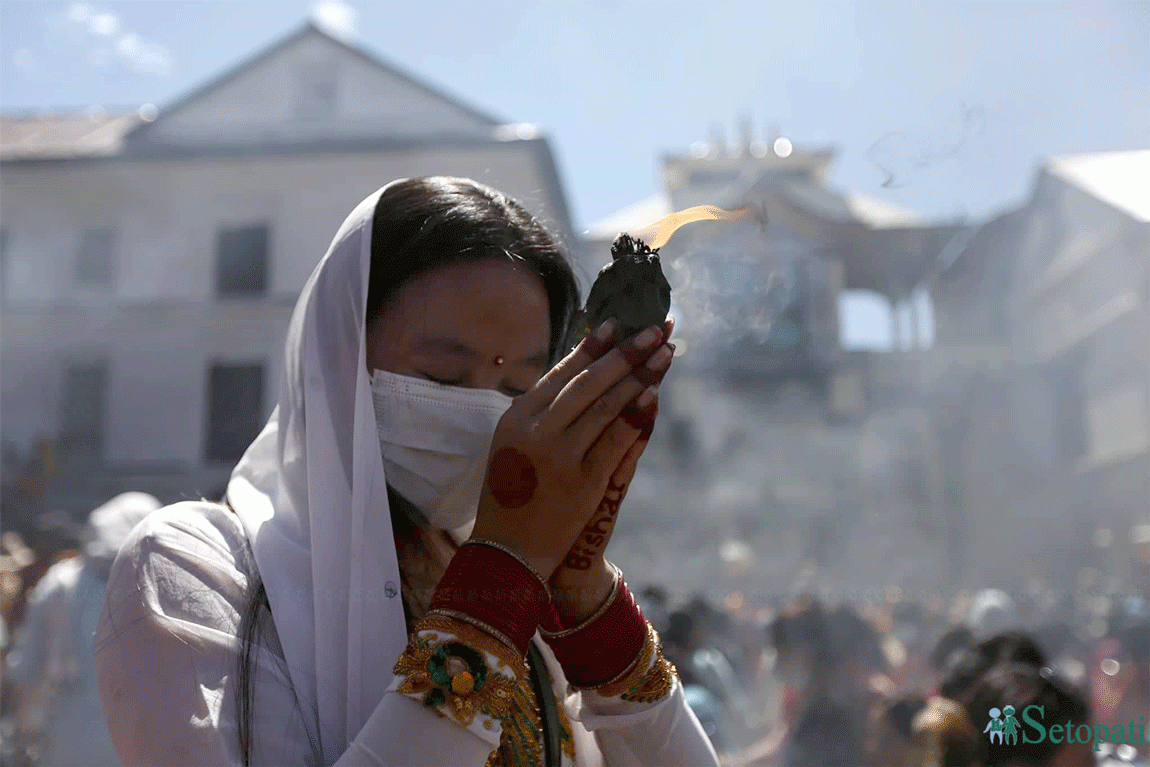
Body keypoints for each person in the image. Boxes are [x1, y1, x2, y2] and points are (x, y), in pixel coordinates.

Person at [94, 177, 719, 766]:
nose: (485, 414)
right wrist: (496, 586)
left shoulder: (526, 583)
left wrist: (584, 590)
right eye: (444, 378)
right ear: (339, 358)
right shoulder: (199, 567)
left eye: (518, 389)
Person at [6, 492, 160, 766]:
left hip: (67, 738)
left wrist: (23, 734)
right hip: (143, 744)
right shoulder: (164, 590)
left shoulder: (61, 582)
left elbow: (28, 668)